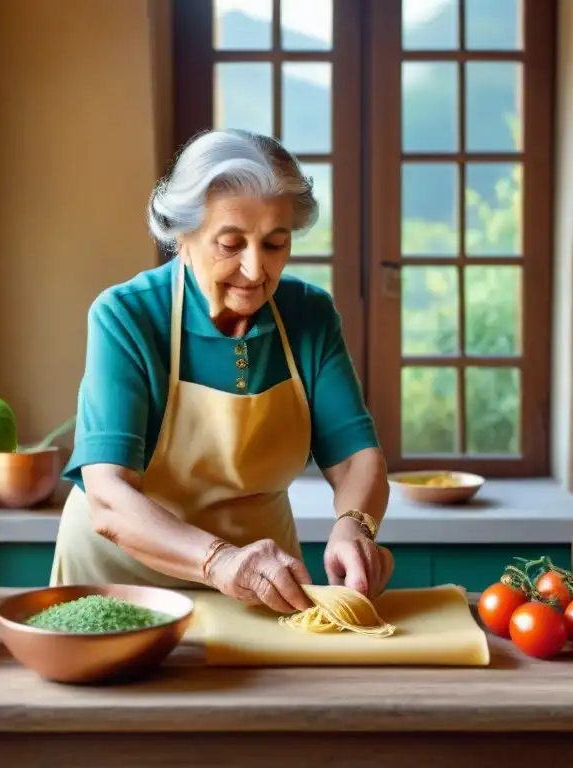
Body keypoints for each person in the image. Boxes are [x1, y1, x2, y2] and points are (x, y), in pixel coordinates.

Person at [51, 129, 392, 613]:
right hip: (118, 582)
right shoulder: (127, 317)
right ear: (181, 234)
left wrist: (354, 526)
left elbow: (357, 457)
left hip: (266, 586)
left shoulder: (308, 315)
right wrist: (221, 561)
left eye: (275, 244)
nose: (255, 271)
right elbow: (107, 493)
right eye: (231, 244)